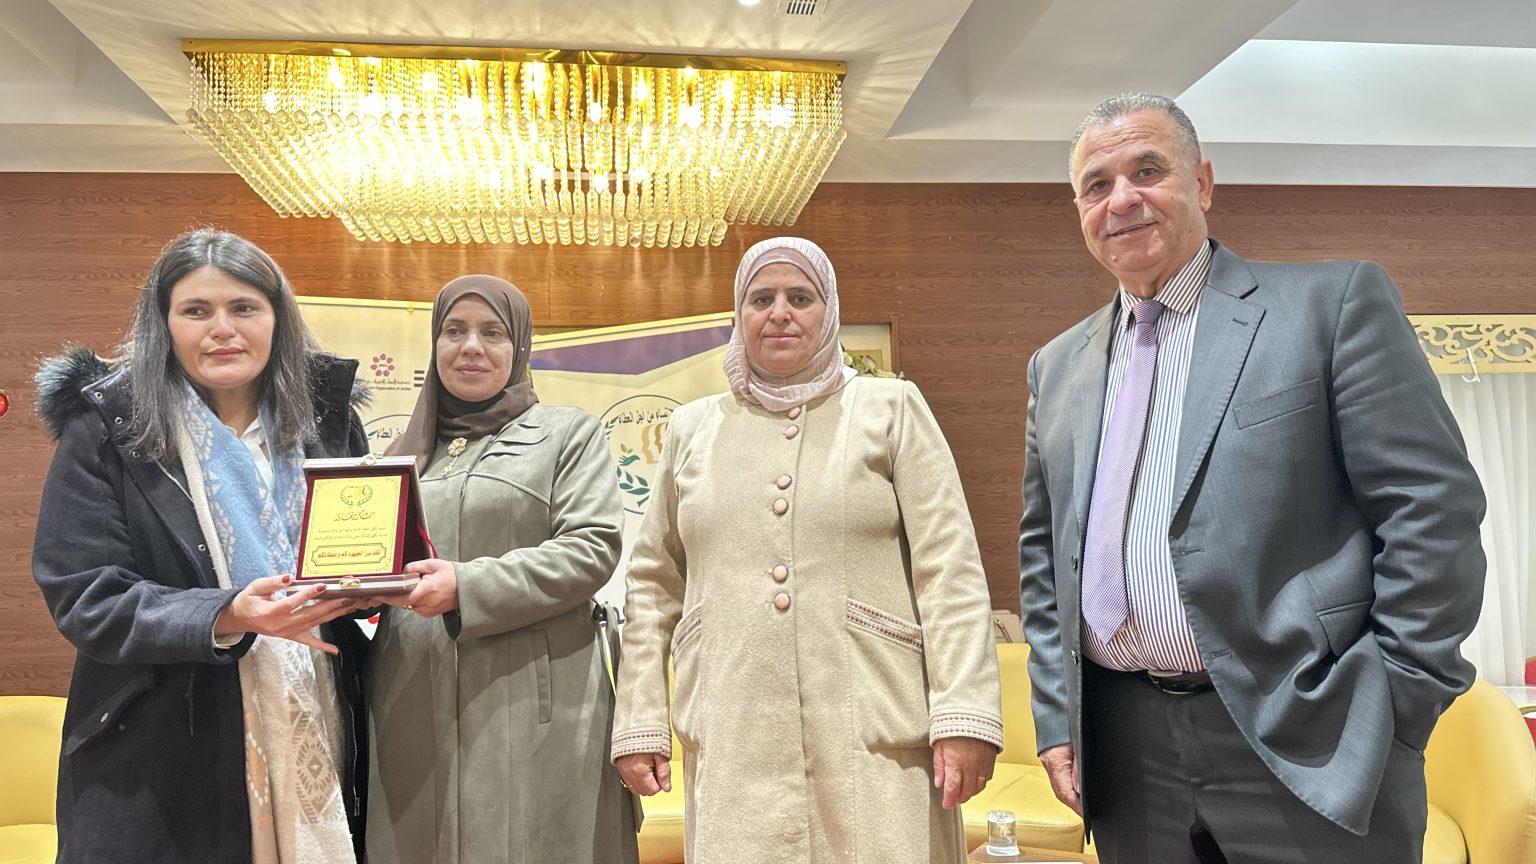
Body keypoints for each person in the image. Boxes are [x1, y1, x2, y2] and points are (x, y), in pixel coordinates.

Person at [1017, 92, 1487, 863]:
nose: (1121, 199)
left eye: (1147, 171)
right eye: (1096, 185)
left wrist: (1397, 703)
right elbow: (1045, 558)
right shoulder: (1056, 365)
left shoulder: (1330, 307)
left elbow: (1432, 510)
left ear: (1202, 183)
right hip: (1126, 757)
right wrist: (1056, 717)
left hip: (1308, 735)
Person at [612, 236, 1003, 864]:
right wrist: (640, 720)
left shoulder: (891, 409)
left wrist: (965, 715)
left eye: (801, 297)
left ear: (831, 310)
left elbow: (949, 570)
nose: (780, 313)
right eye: (760, 299)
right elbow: (653, 584)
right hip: (733, 731)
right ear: (739, 315)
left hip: (875, 730)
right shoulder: (692, 429)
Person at [32, 228, 372, 864]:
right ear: (164, 324)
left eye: (244, 308)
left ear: (278, 319)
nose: (223, 330)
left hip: (320, 718)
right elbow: (85, 596)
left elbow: (354, 558)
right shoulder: (108, 430)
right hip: (161, 753)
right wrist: (228, 613)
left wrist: (380, 583)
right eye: (196, 311)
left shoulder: (327, 423)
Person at [367, 275, 637, 864]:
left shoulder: (566, 434)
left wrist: (466, 586)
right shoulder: (400, 456)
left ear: (518, 346)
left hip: (534, 701)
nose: (471, 347)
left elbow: (591, 547)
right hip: (411, 699)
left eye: (492, 332)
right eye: (454, 331)